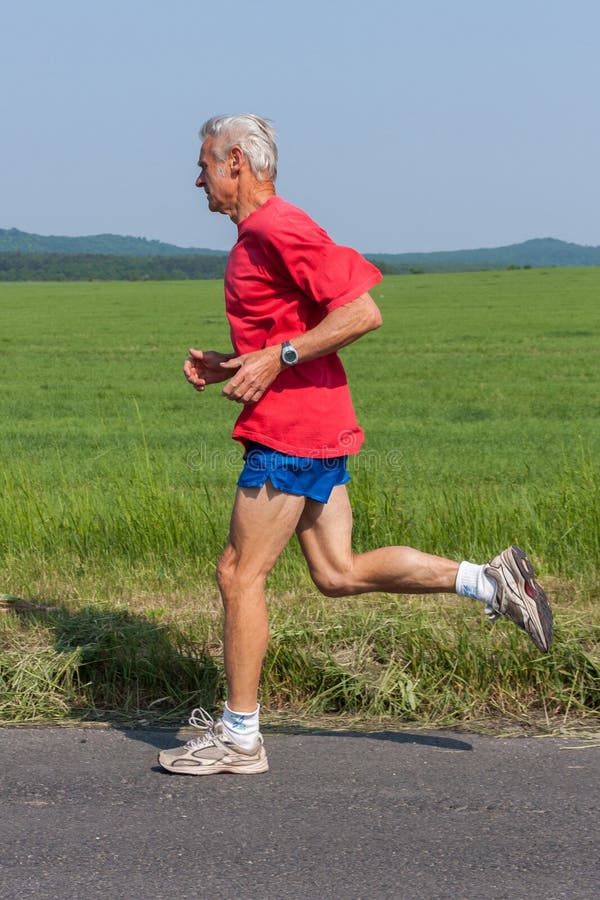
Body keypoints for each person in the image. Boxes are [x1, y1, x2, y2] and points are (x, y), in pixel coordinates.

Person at [158, 114, 553, 776]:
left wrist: (276, 359)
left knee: (238, 572)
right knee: (336, 572)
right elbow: (296, 330)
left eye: (204, 163)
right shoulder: (257, 236)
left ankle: (241, 737)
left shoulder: (278, 226)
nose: (196, 176)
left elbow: (361, 311)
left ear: (236, 162)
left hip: (290, 433)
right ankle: (490, 581)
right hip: (314, 423)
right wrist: (239, 363)